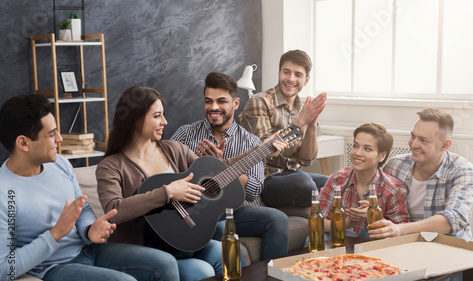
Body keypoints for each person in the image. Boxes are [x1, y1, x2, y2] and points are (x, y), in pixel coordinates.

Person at [96, 86, 285, 281]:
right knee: (201, 271)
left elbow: (221, 172)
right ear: (136, 120)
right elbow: (113, 210)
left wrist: (263, 149)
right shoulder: (111, 166)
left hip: (183, 239)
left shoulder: (173, 150)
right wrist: (167, 192)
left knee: (227, 250)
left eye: (163, 115)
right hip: (146, 246)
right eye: (157, 116)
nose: (164, 122)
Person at [0, 95, 180, 281]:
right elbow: (5, 268)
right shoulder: (4, 193)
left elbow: (83, 208)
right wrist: (55, 235)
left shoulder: (59, 164)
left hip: (88, 250)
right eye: (51, 134)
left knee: (165, 264)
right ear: (23, 143)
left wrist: (88, 229)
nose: (59, 139)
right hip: (53, 267)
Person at [170, 72, 289, 260]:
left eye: (221, 101)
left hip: (233, 212)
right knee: (220, 229)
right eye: (208, 101)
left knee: (278, 219)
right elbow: (166, 173)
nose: (213, 107)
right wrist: (198, 166)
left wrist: (221, 168)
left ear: (235, 104)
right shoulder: (185, 134)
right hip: (191, 209)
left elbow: (254, 189)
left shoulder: (251, 142)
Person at [369, 108, 473, 281]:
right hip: (403, 250)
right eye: (413, 137)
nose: (413, 144)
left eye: (424, 140)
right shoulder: (395, 165)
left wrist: (400, 229)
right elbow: (381, 207)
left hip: (447, 254)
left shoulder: (463, 170)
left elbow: (454, 218)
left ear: (446, 145)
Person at [239, 49, 329, 207]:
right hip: (265, 179)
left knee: (332, 184)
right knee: (305, 185)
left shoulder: (302, 107)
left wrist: (312, 124)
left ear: (306, 80)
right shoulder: (259, 102)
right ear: (279, 72)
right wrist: (301, 121)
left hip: (293, 174)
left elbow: (306, 160)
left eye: (298, 75)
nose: (291, 79)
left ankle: (317, 219)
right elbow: (263, 152)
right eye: (286, 72)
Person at [319, 123, 409, 239]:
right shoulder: (337, 180)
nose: (357, 153)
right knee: (315, 236)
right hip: (338, 238)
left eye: (367, 149)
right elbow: (318, 221)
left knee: (367, 235)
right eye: (355, 146)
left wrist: (375, 216)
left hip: (371, 245)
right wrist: (346, 223)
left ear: (381, 156)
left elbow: (401, 234)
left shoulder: (394, 190)